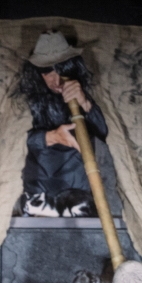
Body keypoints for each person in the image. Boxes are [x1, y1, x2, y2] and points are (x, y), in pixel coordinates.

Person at [17, 30, 109, 218]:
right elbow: (11, 141)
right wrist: (51, 137)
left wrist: (84, 102)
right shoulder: (23, 99)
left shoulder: (86, 91)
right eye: (47, 72)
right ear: (37, 73)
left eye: (61, 69)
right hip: (37, 192)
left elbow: (103, 131)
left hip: (78, 191)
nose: (56, 79)